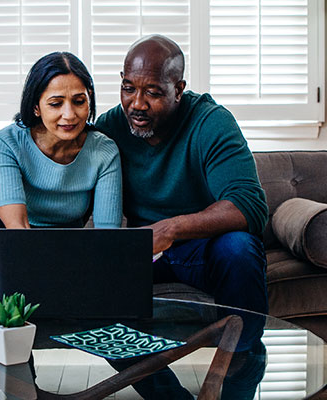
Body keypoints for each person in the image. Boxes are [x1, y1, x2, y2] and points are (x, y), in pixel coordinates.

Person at [95, 34, 268, 399]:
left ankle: (243, 360)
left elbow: (249, 204)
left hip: (203, 251)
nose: (136, 104)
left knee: (240, 248)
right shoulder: (109, 127)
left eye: (153, 92)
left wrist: (171, 228)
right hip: (144, 254)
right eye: (128, 88)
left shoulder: (211, 122)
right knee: (96, 293)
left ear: (179, 89)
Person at [0, 51, 122, 304]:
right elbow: (17, 227)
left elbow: (107, 238)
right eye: (56, 103)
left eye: (79, 101)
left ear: (89, 100)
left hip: (66, 241)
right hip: (14, 235)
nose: (69, 114)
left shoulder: (104, 151)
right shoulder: (8, 141)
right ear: (36, 106)